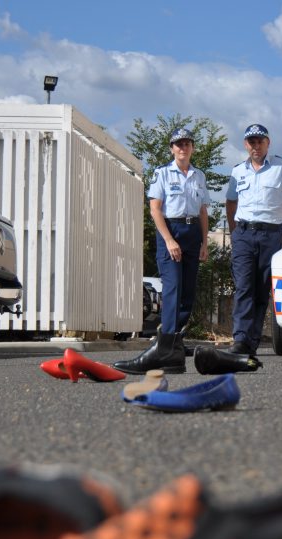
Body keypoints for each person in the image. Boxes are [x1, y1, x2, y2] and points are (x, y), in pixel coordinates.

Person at [115, 128, 209, 374]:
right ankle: (165, 346)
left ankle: (172, 343)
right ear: (171, 148)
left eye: (187, 143)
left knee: (188, 293)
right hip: (172, 231)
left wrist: (204, 242)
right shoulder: (163, 174)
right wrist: (169, 240)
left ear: (192, 147)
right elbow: (155, 209)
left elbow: (202, 212)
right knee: (173, 289)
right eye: (178, 144)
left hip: (192, 234)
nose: (183, 148)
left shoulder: (199, 176)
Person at [224, 123, 282, 356]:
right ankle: (240, 338)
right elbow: (230, 202)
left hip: (271, 234)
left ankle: (250, 341)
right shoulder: (238, 171)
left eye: (260, 141)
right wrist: (234, 231)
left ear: (268, 143)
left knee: (261, 289)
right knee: (243, 286)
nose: (256, 146)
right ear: (245, 145)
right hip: (243, 234)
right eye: (252, 142)